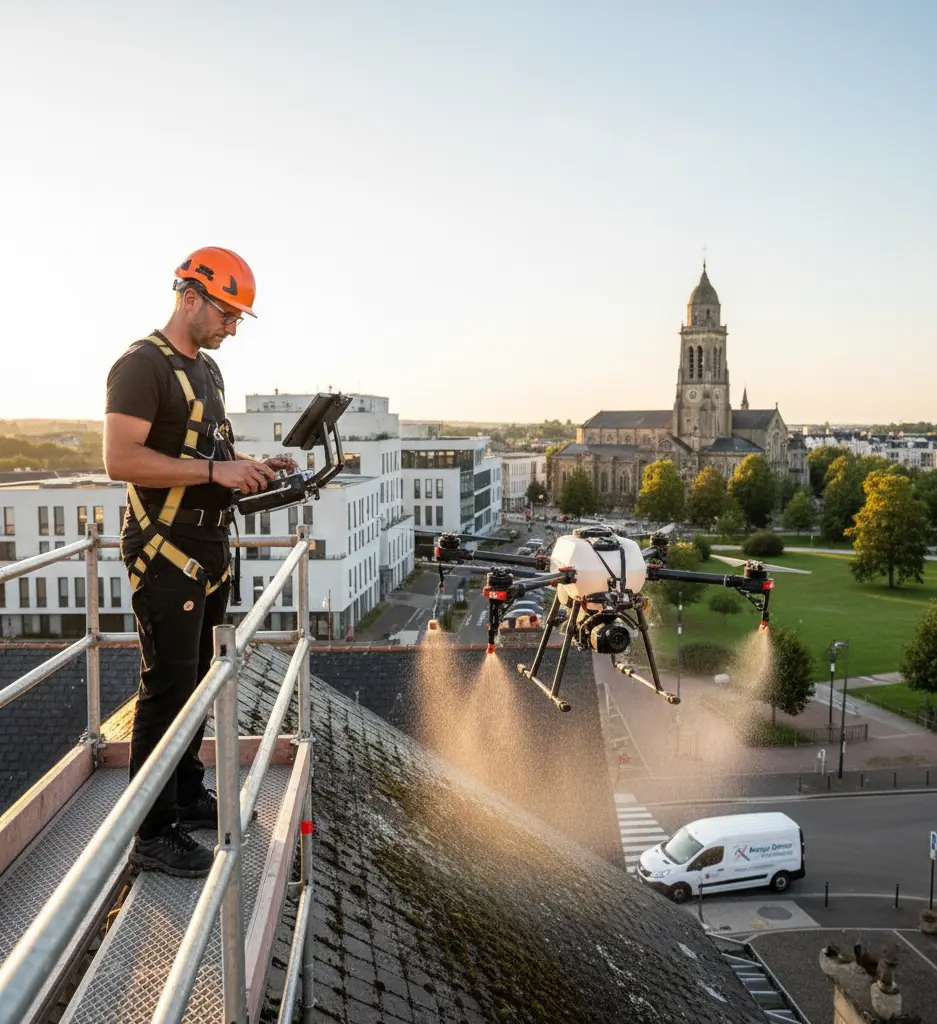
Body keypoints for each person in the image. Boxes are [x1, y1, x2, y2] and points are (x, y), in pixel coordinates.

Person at [104, 247, 296, 877]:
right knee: (165, 686)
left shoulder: (207, 373)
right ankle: (150, 831)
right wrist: (218, 470)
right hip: (165, 551)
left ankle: (184, 796)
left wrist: (254, 469)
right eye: (227, 313)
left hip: (206, 546)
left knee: (191, 685)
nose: (233, 327)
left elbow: (209, 453)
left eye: (240, 317)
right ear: (190, 297)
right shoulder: (140, 367)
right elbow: (122, 461)